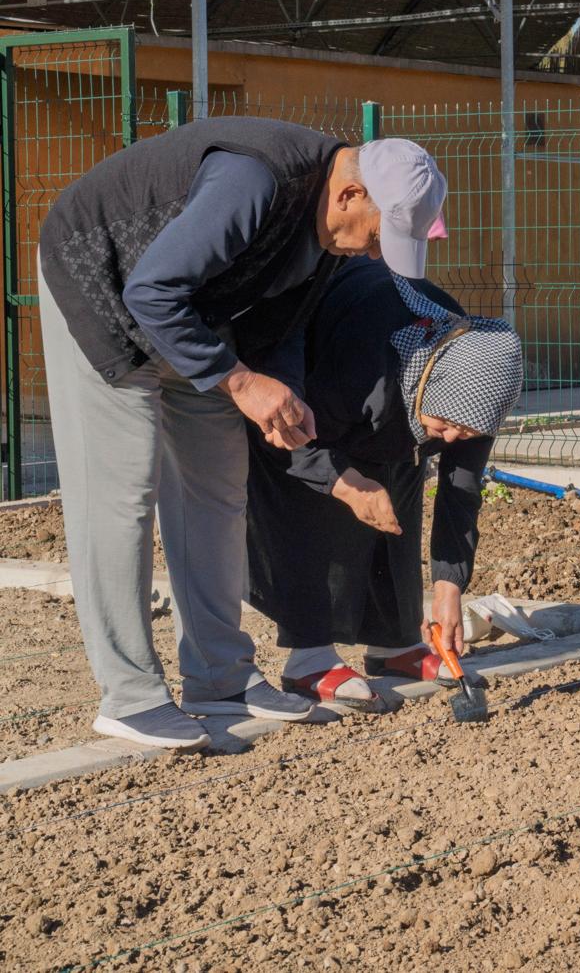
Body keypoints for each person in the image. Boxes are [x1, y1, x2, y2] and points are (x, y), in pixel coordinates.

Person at [39, 118, 446, 750]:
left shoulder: (323, 239)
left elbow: (281, 328)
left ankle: (220, 676)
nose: (373, 253)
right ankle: (130, 695)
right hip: (102, 286)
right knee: (123, 493)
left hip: (190, 316)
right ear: (347, 195)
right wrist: (239, 383)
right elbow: (151, 290)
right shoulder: (253, 181)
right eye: (377, 235)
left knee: (219, 485)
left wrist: (277, 395)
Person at [243, 255, 523, 710]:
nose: (453, 439)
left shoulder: (476, 386)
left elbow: (461, 494)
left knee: (400, 481)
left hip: (394, 393)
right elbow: (290, 437)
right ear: (428, 383)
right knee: (319, 499)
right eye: (448, 425)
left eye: (466, 434)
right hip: (303, 380)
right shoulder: (360, 365)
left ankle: (395, 644)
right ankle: (309, 658)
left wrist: (449, 587)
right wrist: (346, 483)